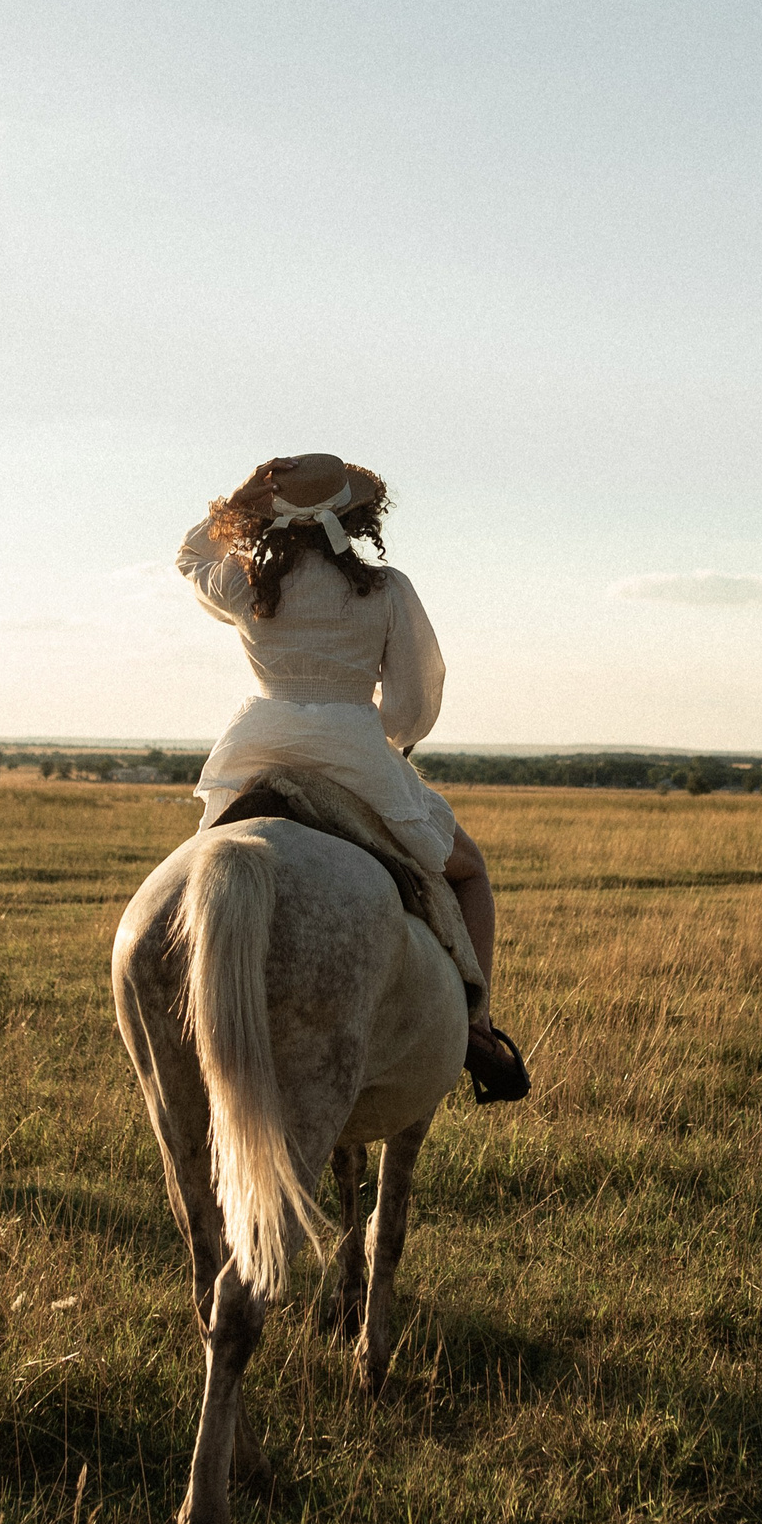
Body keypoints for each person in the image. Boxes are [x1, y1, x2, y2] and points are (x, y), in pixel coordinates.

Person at [177, 452, 528, 1097]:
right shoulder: (385, 589)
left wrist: (240, 499)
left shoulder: (245, 583)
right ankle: (476, 1028)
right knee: (469, 870)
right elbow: (417, 696)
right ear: (358, 515)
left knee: (201, 867)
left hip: (256, 747)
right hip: (357, 752)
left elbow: (189, 558)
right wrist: (388, 741)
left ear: (269, 515)